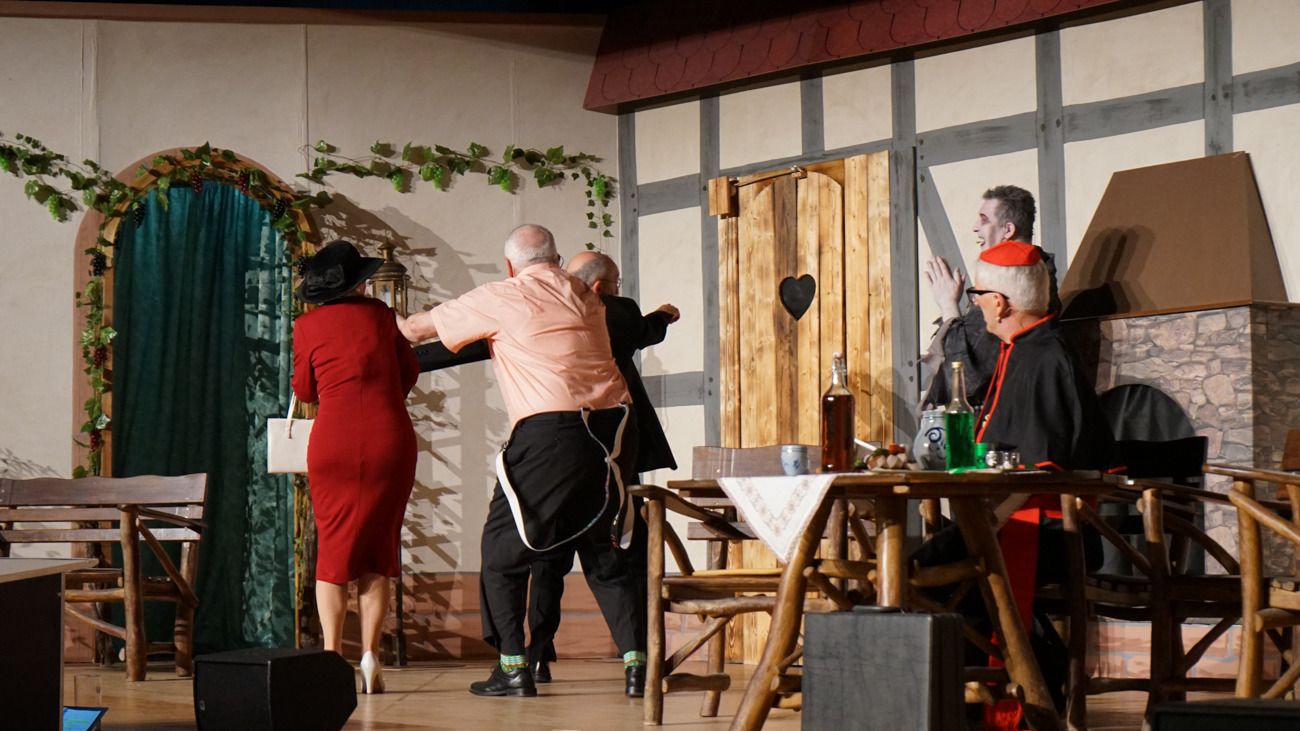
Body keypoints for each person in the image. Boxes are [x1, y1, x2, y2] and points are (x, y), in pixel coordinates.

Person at [408, 250, 678, 696]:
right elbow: (646, 330)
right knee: (609, 553)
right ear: (599, 286)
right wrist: (664, 315)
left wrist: (404, 359)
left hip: (552, 443)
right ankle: (638, 665)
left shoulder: (519, 301)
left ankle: (523, 662)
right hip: (613, 440)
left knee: (522, 552)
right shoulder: (605, 308)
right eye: (613, 284)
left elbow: (459, 343)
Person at [913, 240, 1113, 711]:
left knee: (924, 571)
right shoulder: (1023, 349)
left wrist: (981, 524)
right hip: (1022, 523)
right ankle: (964, 699)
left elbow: (1035, 471)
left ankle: (985, 701)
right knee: (922, 564)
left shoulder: (1044, 358)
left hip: (1052, 532)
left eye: (977, 295)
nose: (976, 304)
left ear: (999, 303)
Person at [291, 240, 419, 695]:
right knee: (377, 551)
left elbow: (305, 391)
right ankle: (370, 655)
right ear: (360, 283)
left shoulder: (306, 326)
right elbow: (409, 373)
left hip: (334, 443)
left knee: (334, 547)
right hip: (390, 439)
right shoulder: (383, 317)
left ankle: (332, 657)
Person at [920, 185, 1060, 410]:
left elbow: (965, 381)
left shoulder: (1016, 287)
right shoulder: (1033, 274)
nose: (975, 227)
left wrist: (948, 305)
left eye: (984, 220)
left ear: (1008, 230)